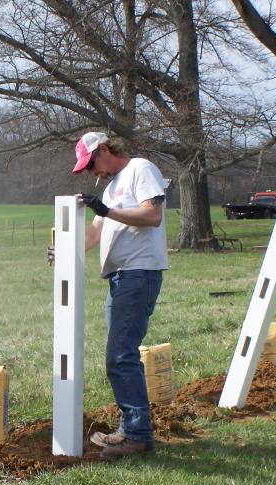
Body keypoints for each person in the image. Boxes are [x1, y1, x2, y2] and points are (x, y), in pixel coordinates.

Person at [71, 131, 168, 459]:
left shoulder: (141, 169)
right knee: (119, 356)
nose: (91, 172)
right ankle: (131, 430)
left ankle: (137, 436)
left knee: (121, 355)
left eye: (90, 164)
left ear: (103, 150)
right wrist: (66, 248)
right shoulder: (112, 188)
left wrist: (107, 210)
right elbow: (95, 232)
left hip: (138, 274)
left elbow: (152, 216)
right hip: (120, 278)